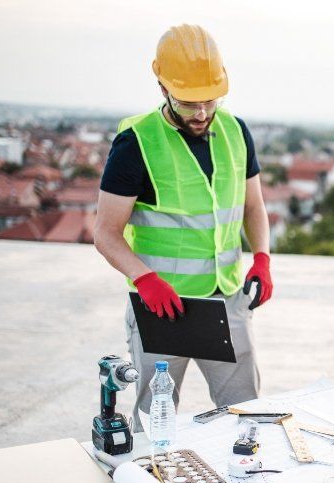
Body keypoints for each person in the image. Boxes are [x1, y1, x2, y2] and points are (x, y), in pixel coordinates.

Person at [95, 24, 272, 431]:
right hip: (162, 305)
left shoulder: (236, 132)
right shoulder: (136, 143)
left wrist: (262, 257)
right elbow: (105, 234)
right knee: (152, 424)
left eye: (210, 100)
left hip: (227, 301)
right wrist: (146, 279)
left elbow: (254, 206)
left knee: (247, 419)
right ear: (162, 88)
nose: (202, 113)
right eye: (190, 103)